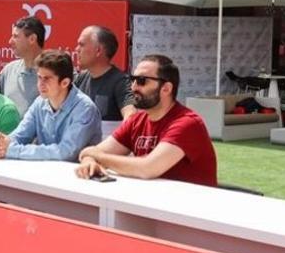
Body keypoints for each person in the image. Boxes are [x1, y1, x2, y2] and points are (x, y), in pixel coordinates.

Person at [75, 55, 217, 186]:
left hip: (190, 209)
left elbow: (147, 168)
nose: (133, 87)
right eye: (133, 80)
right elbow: (92, 152)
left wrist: (98, 157)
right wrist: (90, 161)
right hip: (152, 205)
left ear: (166, 89)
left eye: (142, 81)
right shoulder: (137, 121)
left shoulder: (187, 124)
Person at [0, 50, 100, 161]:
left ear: (65, 83)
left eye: (46, 79)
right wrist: (2, 143)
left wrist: (13, 150)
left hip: (78, 175)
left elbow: (65, 152)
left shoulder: (85, 109)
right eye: (39, 77)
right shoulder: (39, 102)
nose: (40, 84)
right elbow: (21, 134)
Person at [73, 25, 136, 126]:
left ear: (98, 51)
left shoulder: (121, 82)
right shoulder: (80, 79)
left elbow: (131, 115)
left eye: (82, 45)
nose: (77, 49)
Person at [0, 16, 44, 114]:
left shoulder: (56, 72)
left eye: (15, 36)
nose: (10, 41)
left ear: (32, 39)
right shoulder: (8, 70)